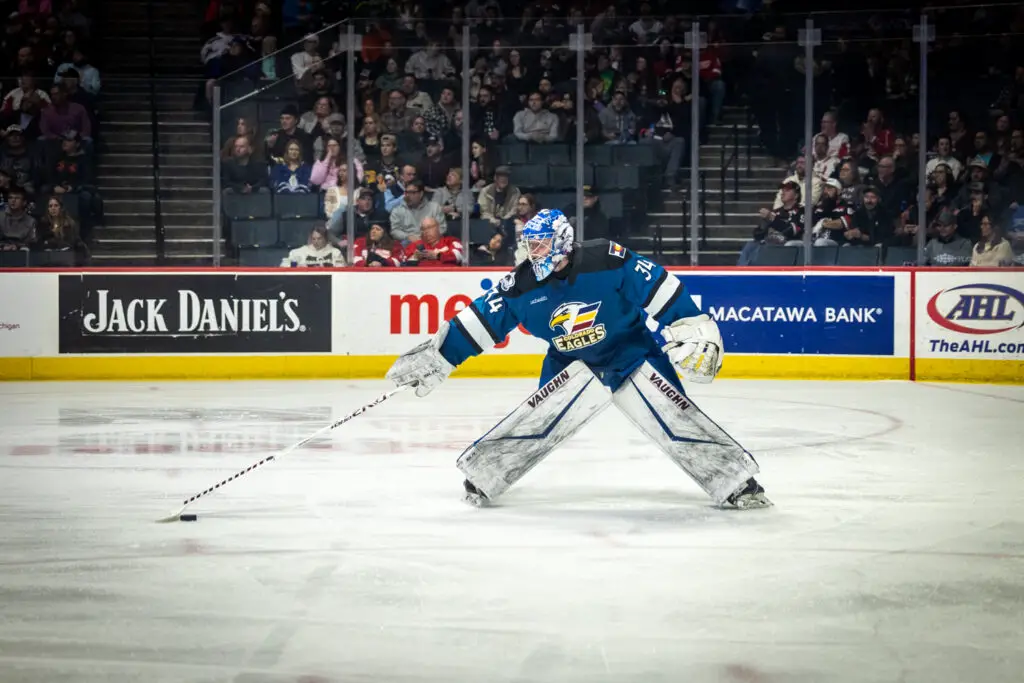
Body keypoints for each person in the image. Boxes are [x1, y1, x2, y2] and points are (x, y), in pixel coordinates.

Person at [385, 209, 770, 511]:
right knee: (540, 421)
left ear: (563, 243)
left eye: (540, 245)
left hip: (631, 351)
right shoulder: (522, 284)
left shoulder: (607, 258)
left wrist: (692, 327)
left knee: (673, 414)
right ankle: (487, 475)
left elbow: (659, 288)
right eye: (530, 245)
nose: (532, 252)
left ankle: (735, 481)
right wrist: (439, 357)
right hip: (569, 363)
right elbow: (481, 321)